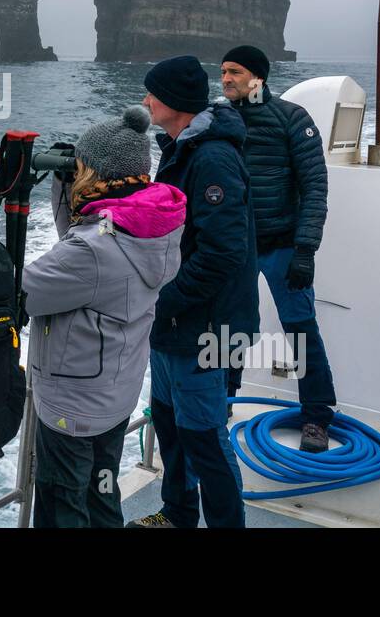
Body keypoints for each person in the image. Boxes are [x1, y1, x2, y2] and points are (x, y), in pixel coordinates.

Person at [22, 105, 185, 528]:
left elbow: (20, 293)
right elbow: (83, 241)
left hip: (70, 408)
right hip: (113, 397)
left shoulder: (93, 252)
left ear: (93, 174)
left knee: (63, 511)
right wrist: (64, 189)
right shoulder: (149, 228)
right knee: (101, 499)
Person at [127, 56, 259, 529]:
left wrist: (163, 300)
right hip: (174, 323)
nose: (145, 102)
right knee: (168, 422)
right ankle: (178, 514)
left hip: (205, 327)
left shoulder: (212, 157)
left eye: (152, 95)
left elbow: (224, 253)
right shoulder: (179, 148)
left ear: (176, 104)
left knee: (203, 435)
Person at [220, 45, 336, 452]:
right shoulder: (219, 119)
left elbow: (315, 187)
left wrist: (306, 249)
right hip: (235, 246)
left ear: (258, 77)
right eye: (223, 72)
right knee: (227, 326)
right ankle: (223, 400)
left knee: (301, 329)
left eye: (235, 71)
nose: (227, 79)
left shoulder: (291, 118)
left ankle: (317, 417)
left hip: (284, 245)